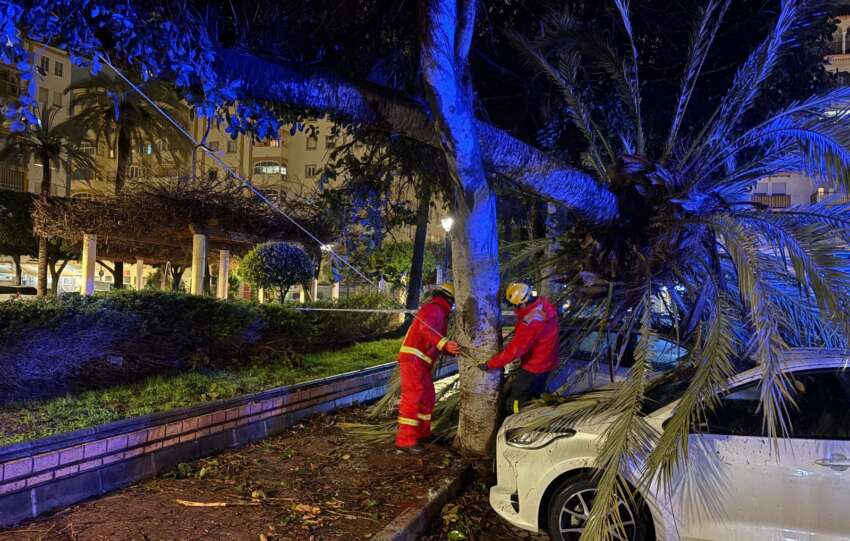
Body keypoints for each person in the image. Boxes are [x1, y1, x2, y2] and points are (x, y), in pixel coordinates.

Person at [396, 283, 461, 454]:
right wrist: (445, 344)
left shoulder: (440, 312)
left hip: (421, 362)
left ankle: (422, 433)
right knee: (413, 398)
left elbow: (435, 341)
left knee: (427, 397)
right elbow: (426, 330)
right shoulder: (433, 309)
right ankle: (405, 440)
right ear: (450, 299)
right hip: (413, 360)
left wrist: (450, 350)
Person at [479, 282, 559, 415]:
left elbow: (516, 350)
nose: (515, 310)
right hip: (548, 362)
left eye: (515, 307)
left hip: (534, 366)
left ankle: (516, 422)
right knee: (534, 394)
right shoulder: (544, 305)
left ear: (522, 304)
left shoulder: (530, 321)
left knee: (516, 400)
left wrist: (490, 364)